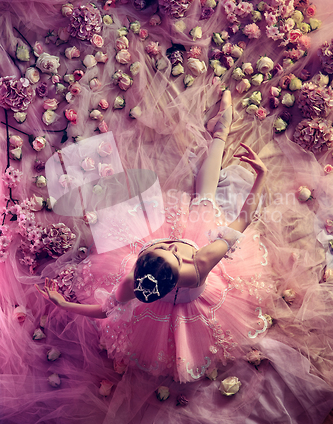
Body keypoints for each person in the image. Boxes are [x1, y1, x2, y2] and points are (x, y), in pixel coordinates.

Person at [37, 90, 271, 383]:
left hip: (172, 292)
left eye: (167, 248)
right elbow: (243, 219)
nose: (173, 243)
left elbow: (105, 309)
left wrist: (64, 303)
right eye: (171, 250)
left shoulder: (136, 282)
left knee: (199, 203)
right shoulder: (200, 262)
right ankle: (220, 132)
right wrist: (261, 176)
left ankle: (220, 132)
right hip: (190, 299)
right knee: (205, 201)